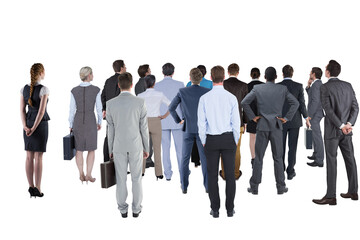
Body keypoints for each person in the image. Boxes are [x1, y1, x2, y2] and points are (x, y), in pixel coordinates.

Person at [242, 67, 299, 195]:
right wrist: (286, 118)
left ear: (264, 77)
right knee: (278, 158)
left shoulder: (257, 89)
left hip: (261, 126)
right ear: (276, 77)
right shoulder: (282, 89)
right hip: (277, 127)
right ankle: (280, 187)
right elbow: (295, 103)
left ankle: (254, 187)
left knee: (258, 158)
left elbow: (244, 102)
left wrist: (253, 117)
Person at [313, 60, 359, 205]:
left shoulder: (325, 87)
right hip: (347, 131)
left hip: (333, 131)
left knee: (332, 162)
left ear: (327, 72)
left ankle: (331, 196)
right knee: (350, 160)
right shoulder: (348, 86)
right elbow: (355, 107)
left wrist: (340, 125)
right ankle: (353, 192)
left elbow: (328, 110)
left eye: (325, 68)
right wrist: (349, 124)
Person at [198, 65, 240, 218]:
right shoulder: (231, 97)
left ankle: (215, 209)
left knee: (212, 175)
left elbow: (201, 123)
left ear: (211, 76)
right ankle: (230, 209)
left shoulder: (204, 98)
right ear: (224, 77)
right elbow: (236, 122)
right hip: (228, 138)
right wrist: (235, 139)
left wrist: (203, 140)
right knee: (230, 175)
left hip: (211, 140)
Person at [106, 72, 149, 218]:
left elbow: (110, 130)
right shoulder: (140, 102)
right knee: (136, 178)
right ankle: (136, 209)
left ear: (118, 85)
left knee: (121, 178)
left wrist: (110, 149)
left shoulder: (110, 104)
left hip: (118, 145)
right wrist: (146, 148)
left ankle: (123, 209)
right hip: (136, 145)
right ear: (132, 85)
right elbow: (144, 127)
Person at [169, 68, 210, 194]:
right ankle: (208, 187)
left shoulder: (183, 91)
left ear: (189, 78)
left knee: (184, 159)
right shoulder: (207, 92)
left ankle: (184, 186)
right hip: (202, 130)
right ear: (201, 78)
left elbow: (171, 108)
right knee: (205, 159)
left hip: (187, 128)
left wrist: (179, 120)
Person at [20, 63, 50, 198]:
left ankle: (31, 187)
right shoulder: (44, 89)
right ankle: (38, 188)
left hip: (28, 123)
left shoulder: (23, 89)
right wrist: (33, 128)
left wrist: (25, 126)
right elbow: (41, 111)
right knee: (38, 157)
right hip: (40, 125)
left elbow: (21, 110)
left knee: (28, 156)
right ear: (41, 72)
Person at [69, 67, 102, 183]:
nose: (93, 75)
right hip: (90, 120)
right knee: (91, 149)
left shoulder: (74, 90)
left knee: (79, 149)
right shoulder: (96, 90)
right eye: (92, 73)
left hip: (78, 120)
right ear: (89, 75)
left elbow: (71, 109)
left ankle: (81, 174)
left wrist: (70, 124)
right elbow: (99, 108)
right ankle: (89, 174)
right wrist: (99, 122)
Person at [154, 63, 184, 181]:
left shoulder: (156, 86)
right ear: (173, 72)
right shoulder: (180, 84)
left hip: (162, 120)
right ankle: (183, 172)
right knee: (180, 150)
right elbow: (183, 103)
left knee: (165, 149)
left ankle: (168, 174)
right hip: (177, 120)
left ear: (162, 72)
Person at [278, 65, 308, 180]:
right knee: (293, 146)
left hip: (280, 121)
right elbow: (301, 104)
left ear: (282, 74)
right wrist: (306, 117)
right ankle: (290, 172)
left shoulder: (278, 86)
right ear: (292, 73)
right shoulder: (298, 86)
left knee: (280, 147)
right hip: (295, 121)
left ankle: (281, 170)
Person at [138, 75, 170, 179]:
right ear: (154, 83)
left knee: (143, 148)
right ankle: (159, 173)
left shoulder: (140, 95)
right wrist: (164, 116)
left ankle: (141, 171)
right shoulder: (159, 94)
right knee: (157, 149)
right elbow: (172, 105)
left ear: (145, 84)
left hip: (144, 122)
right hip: (156, 121)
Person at [220, 63, 248, 180]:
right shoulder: (244, 86)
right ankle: (235, 174)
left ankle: (225, 174)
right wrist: (245, 122)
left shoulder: (222, 84)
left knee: (223, 149)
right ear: (238, 72)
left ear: (228, 72)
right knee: (236, 149)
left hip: (222, 123)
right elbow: (246, 106)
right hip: (238, 123)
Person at [186, 65, 212, 168]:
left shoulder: (189, 83)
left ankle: (196, 160)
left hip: (192, 113)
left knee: (193, 136)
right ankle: (205, 157)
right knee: (205, 135)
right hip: (206, 113)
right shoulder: (210, 84)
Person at [101, 60, 126, 162]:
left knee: (109, 138)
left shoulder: (108, 80)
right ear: (121, 68)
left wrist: (104, 109)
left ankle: (107, 162)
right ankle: (119, 164)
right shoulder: (122, 80)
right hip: (119, 114)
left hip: (109, 113)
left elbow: (103, 96)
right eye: (125, 67)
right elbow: (119, 96)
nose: (126, 68)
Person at [135, 64, 155, 168]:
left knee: (143, 136)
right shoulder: (146, 82)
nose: (151, 71)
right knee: (149, 138)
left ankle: (145, 159)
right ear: (146, 72)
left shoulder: (137, 83)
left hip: (139, 113)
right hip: (148, 113)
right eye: (149, 70)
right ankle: (148, 160)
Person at [305, 67, 325, 167]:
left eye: (310, 72)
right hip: (316, 113)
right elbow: (312, 97)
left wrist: (309, 116)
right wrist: (308, 86)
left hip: (315, 114)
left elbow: (315, 101)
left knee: (317, 137)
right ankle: (316, 154)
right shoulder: (316, 84)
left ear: (313, 74)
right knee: (315, 135)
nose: (309, 74)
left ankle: (319, 160)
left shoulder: (317, 85)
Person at [246, 68, 264, 167]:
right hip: (262, 114)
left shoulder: (247, 86)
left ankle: (253, 158)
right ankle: (259, 158)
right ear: (260, 75)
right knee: (261, 137)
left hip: (251, 115)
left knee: (252, 137)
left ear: (250, 75)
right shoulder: (264, 86)